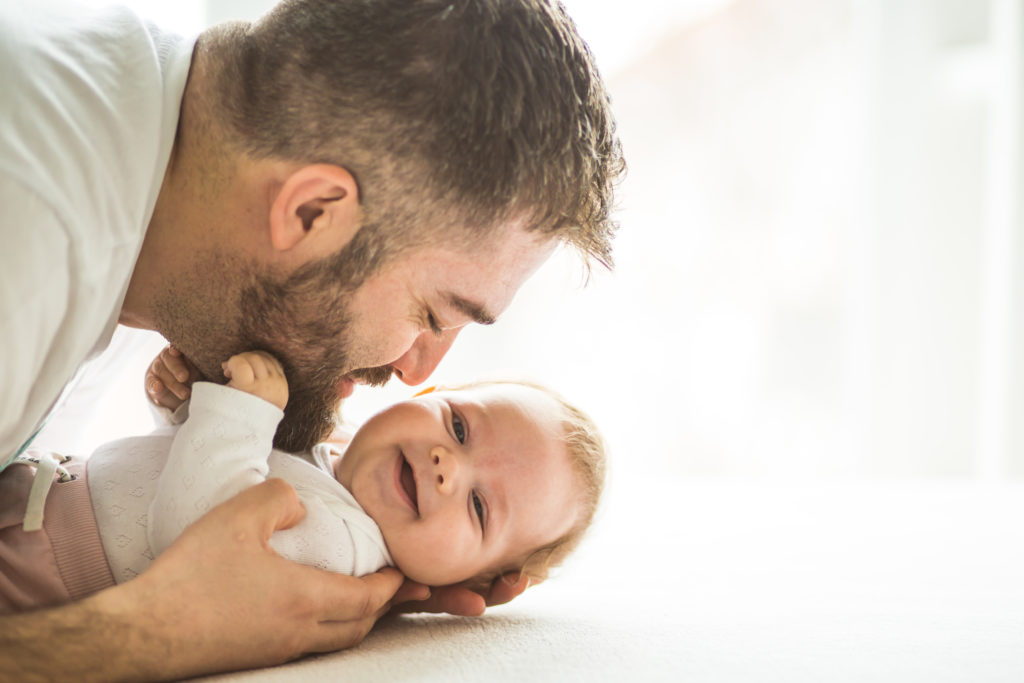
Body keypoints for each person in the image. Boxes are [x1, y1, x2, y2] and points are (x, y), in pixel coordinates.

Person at [0, 0, 623, 677]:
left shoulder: (158, 178)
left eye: (479, 506)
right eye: (433, 314)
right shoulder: (27, 239)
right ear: (311, 213)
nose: (416, 371)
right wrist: (158, 628)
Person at [0, 351, 605, 613]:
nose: (448, 465)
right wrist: (184, 404)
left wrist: (237, 414)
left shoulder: (345, 547)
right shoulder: (329, 453)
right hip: (36, 494)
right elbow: (192, 461)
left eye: (478, 506)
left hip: (37, 573)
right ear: (425, 394)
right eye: (459, 427)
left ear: (474, 579)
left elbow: (194, 539)